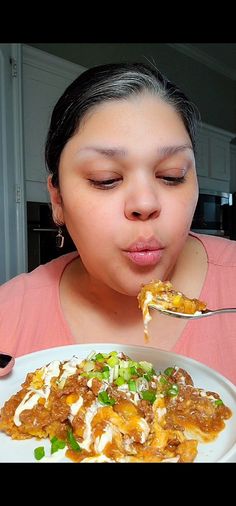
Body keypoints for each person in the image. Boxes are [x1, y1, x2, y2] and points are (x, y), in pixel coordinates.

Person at [0, 62, 236, 384]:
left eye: (172, 176)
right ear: (58, 199)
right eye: (106, 179)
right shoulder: (8, 314)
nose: (145, 203)